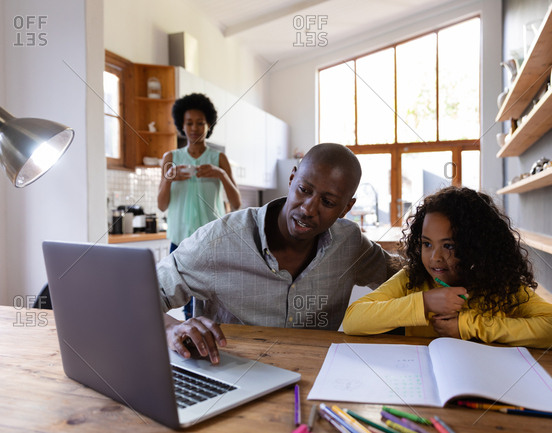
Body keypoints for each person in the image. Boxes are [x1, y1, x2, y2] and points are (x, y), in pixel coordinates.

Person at [157, 143, 396, 364]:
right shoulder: (220, 239)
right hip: (232, 378)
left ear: (346, 208)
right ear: (292, 179)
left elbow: (407, 279)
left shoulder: (350, 244)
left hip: (317, 379)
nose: (308, 208)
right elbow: (140, 294)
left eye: (328, 202)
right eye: (304, 190)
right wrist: (169, 328)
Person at [342, 186, 552, 350]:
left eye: (449, 245)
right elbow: (354, 320)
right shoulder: (412, 279)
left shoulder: (500, 286)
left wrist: (468, 325)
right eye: (426, 244)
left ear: (478, 246)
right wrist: (425, 302)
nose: (435, 257)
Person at [158, 93, 241, 319]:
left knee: (214, 300)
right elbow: (161, 205)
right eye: (189, 123)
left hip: (213, 241)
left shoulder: (219, 159)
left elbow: (236, 203)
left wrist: (221, 174)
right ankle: (193, 346)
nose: (194, 128)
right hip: (181, 241)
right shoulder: (171, 158)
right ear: (181, 125)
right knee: (186, 303)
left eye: (200, 123)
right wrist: (168, 178)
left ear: (208, 125)